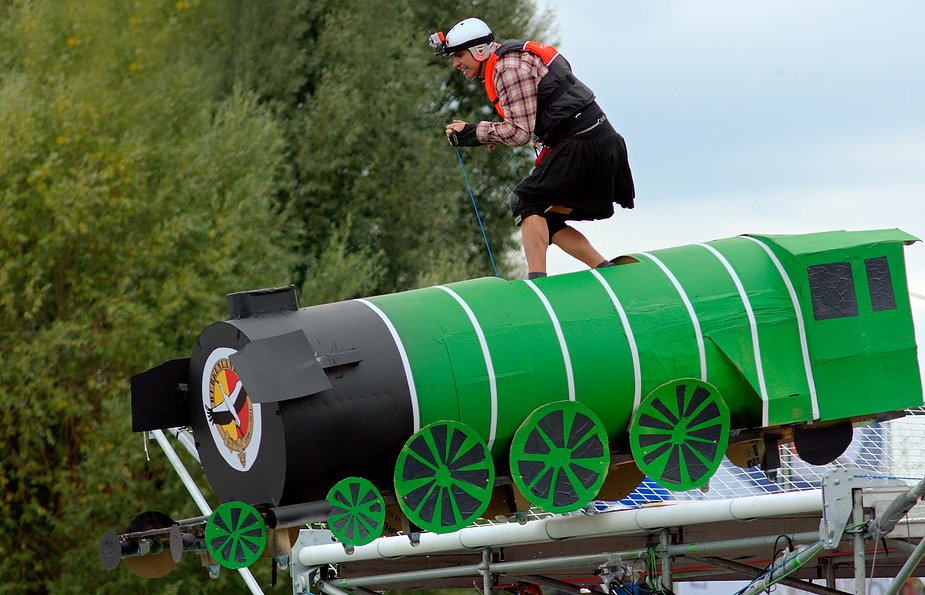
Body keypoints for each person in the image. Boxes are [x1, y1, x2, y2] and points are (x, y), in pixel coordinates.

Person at [431, 18, 635, 280]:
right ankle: (606, 270)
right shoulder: (508, 61)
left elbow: (518, 132)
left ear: (479, 51)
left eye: (459, 55)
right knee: (545, 219)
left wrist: (475, 132)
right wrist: (484, 135)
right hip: (597, 140)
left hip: (582, 144)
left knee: (525, 200)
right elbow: (530, 122)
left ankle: (537, 283)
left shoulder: (506, 69)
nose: (456, 64)